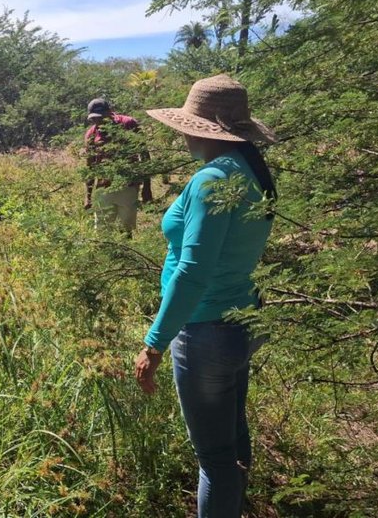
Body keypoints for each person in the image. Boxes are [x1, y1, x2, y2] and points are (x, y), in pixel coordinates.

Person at [133, 74, 278, 518]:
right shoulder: (250, 170)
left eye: (186, 125)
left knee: (213, 458)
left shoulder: (212, 179)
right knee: (232, 434)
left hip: (206, 331)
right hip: (243, 321)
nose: (180, 134)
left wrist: (155, 343)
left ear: (204, 128)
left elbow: (193, 270)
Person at [84, 98, 153, 233]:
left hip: (128, 186)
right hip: (103, 189)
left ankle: (126, 254)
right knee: (103, 231)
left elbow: (144, 155)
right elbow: (90, 167)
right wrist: (88, 196)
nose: (98, 122)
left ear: (110, 112)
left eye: (101, 117)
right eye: (94, 119)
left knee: (126, 230)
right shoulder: (91, 134)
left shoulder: (128, 124)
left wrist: (147, 187)